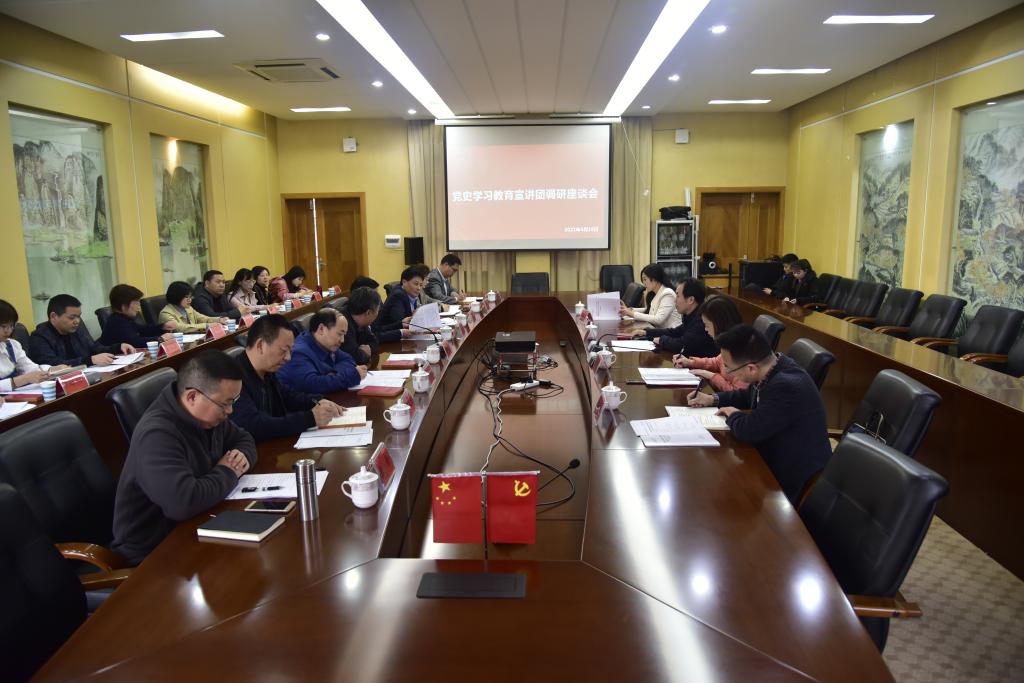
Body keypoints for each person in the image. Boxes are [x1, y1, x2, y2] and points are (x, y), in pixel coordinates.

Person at [110, 350, 257, 565]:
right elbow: (183, 502)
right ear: (192, 396)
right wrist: (228, 471)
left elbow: (244, 439)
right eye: (225, 403)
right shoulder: (157, 435)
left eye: (233, 401)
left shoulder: (208, 415)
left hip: (199, 524)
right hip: (153, 554)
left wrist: (241, 456)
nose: (230, 410)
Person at [687, 324, 831, 505]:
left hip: (789, 476)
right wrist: (712, 399)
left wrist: (733, 414)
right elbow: (748, 395)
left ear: (751, 368)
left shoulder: (786, 386)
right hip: (771, 452)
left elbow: (750, 430)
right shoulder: (773, 367)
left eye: (728, 368)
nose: (726, 371)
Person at [230, 314, 344, 442]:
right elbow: (252, 425)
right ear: (260, 345)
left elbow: (288, 397)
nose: (288, 358)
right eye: (283, 351)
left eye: (290, 351)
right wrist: (310, 418)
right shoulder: (232, 377)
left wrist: (319, 400)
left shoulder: (266, 370)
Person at [278, 308, 367, 394]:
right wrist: (350, 376)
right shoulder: (298, 353)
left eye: (344, 335)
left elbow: (348, 360)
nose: (342, 340)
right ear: (321, 329)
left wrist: (332, 374)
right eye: (340, 334)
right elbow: (314, 385)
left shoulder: (326, 344)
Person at [28, 294, 131, 367]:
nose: (77, 321)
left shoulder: (76, 330)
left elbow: (95, 349)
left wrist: (118, 347)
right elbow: (52, 365)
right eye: (72, 317)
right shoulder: (39, 337)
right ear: (54, 316)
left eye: (78, 316)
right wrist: (90, 360)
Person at [674, 296, 749, 391]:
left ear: (719, 323)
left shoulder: (742, 349)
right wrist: (691, 362)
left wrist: (711, 375)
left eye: (707, 325)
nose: (705, 329)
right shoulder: (728, 343)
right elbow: (717, 362)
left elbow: (737, 393)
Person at [635, 277, 716, 357]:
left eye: (678, 296)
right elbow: (675, 332)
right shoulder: (691, 315)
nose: (675, 300)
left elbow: (682, 345)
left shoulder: (702, 319)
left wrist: (661, 340)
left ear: (691, 300)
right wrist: (647, 332)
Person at [0, 299, 64, 391]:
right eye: (3, 326)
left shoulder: (13, 345)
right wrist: (23, 379)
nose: (8, 331)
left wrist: (52, 369)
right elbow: (27, 377)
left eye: (11, 326)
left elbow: (30, 368)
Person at [99, 284, 176, 349]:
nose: (139, 305)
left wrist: (163, 326)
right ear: (124, 306)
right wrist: (160, 339)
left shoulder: (125, 318)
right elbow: (135, 342)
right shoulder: (116, 322)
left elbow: (143, 330)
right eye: (136, 302)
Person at [619, 263, 681, 329]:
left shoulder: (667, 293)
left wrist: (632, 314)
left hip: (672, 332)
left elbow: (658, 319)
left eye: (645, 279)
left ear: (654, 279)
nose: (643, 283)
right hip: (659, 331)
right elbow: (649, 310)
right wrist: (630, 310)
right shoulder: (655, 293)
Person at [374, 266, 424, 342]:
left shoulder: (411, 295)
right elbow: (401, 323)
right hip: (384, 338)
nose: (419, 288)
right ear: (404, 282)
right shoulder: (398, 295)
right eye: (416, 284)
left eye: (420, 285)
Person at [159, 281, 229, 333]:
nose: (190, 300)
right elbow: (180, 328)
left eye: (190, 297)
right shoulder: (166, 313)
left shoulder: (188, 308)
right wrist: (207, 326)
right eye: (186, 297)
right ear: (176, 297)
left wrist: (219, 319)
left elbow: (202, 318)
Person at [340, 286, 382, 364]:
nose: (377, 314)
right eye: (377, 311)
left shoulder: (361, 321)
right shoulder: (342, 322)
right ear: (368, 313)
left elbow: (374, 342)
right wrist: (364, 353)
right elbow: (353, 358)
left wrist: (366, 350)